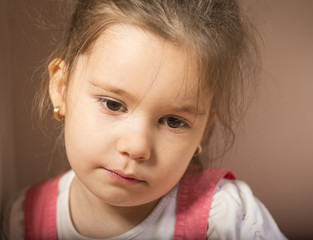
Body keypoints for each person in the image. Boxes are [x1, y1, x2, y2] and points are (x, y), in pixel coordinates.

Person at [3, 0, 287, 239]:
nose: (137, 147)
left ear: (203, 130)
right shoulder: (21, 221)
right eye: (113, 104)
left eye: (174, 121)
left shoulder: (229, 218)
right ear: (61, 89)